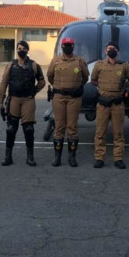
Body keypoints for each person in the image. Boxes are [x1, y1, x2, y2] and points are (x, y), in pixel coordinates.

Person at [0, 40, 47, 166]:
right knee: (11, 129)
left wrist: (33, 92)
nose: (21, 50)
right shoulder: (10, 65)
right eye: (19, 48)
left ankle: (30, 157)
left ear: (27, 50)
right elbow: (3, 84)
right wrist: (0, 102)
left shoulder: (34, 65)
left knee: (29, 129)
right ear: (16, 50)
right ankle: (8, 157)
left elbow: (42, 82)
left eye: (24, 48)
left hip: (28, 100)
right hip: (14, 99)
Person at [90, 41, 129, 169]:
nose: (111, 50)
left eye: (114, 49)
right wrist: (103, 87)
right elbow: (93, 80)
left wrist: (122, 87)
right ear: (105, 51)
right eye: (109, 48)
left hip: (117, 104)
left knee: (118, 133)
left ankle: (118, 158)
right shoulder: (99, 65)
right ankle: (99, 158)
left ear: (118, 51)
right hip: (103, 103)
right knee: (100, 132)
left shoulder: (124, 66)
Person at [47, 37, 90, 168]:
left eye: (70, 45)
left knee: (72, 127)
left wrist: (75, 87)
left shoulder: (80, 61)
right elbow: (50, 77)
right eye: (65, 45)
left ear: (73, 46)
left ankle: (72, 157)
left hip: (74, 98)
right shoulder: (55, 61)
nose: (67, 47)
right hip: (59, 97)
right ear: (62, 46)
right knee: (59, 126)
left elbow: (85, 77)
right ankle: (57, 157)